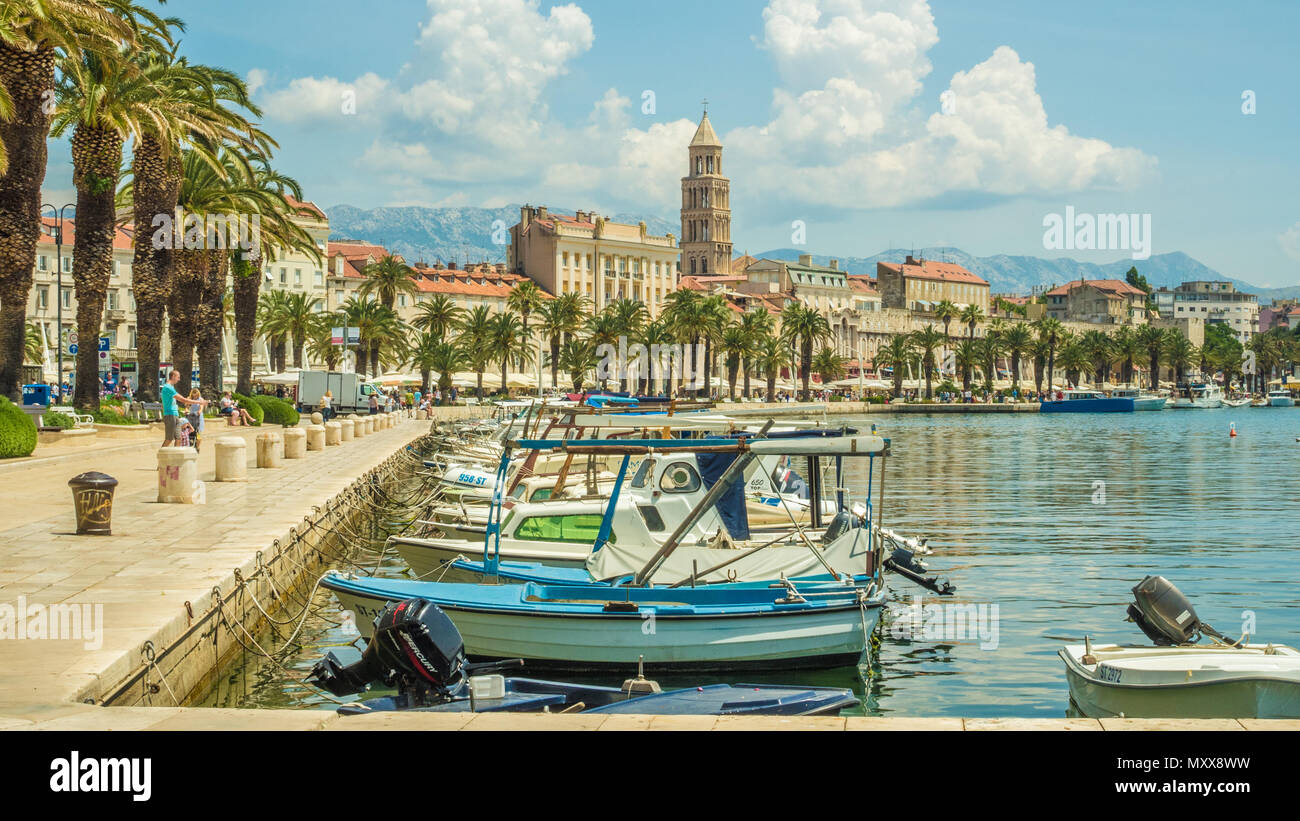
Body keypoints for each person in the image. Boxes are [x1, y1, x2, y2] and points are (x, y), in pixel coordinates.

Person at [160, 370, 199, 447]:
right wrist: (200, 402)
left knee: (179, 438)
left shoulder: (171, 387)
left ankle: (176, 456)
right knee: (169, 438)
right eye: (178, 377)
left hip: (175, 414)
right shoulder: (168, 388)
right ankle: (161, 454)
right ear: (173, 376)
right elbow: (183, 400)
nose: (179, 379)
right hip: (170, 415)